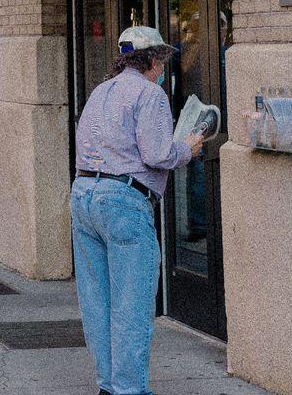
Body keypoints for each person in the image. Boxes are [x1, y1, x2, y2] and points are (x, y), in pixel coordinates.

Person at [70, 25, 205, 395]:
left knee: (97, 302)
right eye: (161, 60)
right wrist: (189, 148)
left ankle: (108, 386)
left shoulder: (100, 92)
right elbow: (158, 153)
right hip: (124, 201)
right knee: (131, 304)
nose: (163, 69)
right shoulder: (150, 94)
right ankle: (129, 390)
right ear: (150, 59)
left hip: (83, 196)